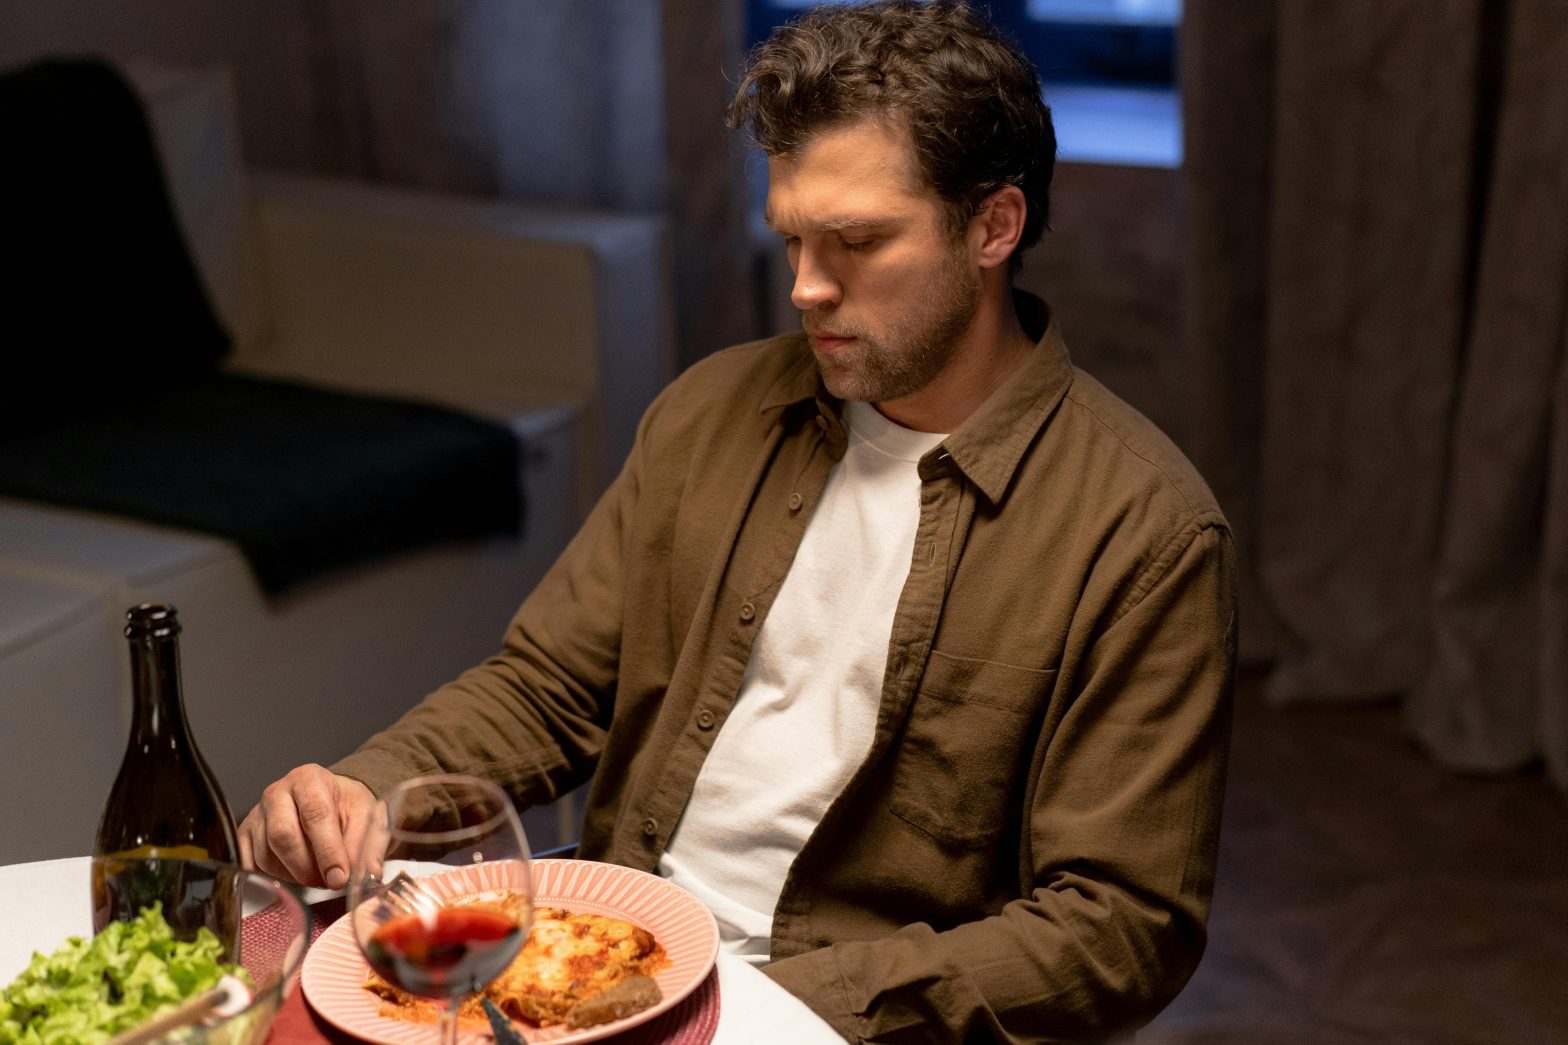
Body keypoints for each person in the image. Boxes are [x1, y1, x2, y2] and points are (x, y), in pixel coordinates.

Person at [239, 2, 1236, 1040]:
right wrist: (367, 789)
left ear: (993, 226)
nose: (805, 288)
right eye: (792, 238)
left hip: (837, 1019)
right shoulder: (711, 410)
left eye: (856, 242)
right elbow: (549, 685)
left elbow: (1118, 929)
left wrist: (763, 1008)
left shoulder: (1145, 533)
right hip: (596, 966)